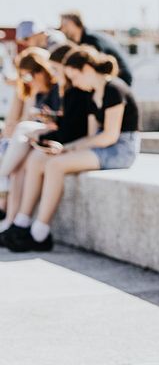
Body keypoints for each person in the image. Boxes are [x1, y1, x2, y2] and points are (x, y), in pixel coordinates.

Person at [4, 46, 140, 252]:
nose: (73, 83)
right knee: (40, 160)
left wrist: (67, 149)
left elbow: (109, 136)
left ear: (86, 69)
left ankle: (40, 232)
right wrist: (66, 147)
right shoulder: (93, 93)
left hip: (120, 149)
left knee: (56, 165)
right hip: (102, 144)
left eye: (74, 77)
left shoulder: (114, 89)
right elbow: (92, 135)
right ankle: (22, 223)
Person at [0, 44, 90, 241]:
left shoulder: (68, 90)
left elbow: (70, 128)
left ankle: (24, 222)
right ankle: (14, 221)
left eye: (56, 70)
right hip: (46, 140)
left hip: (60, 141)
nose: (27, 81)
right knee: (20, 163)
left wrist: (43, 131)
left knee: (26, 154)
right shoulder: (43, 90)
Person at [0, 47, 61, 214]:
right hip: (33, 141)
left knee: (21, 135)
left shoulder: (57, 89)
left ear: (41, 71)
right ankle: (10, 220)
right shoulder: (39, 92)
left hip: (51, 141)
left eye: (27, 76)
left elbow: (65, 122)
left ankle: (1, 177)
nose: (26, 81)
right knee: (17, 168)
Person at [58, 10, 133, 85]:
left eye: (65, 25)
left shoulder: (91, 40)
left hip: (119, 78)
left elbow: (97, 67)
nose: (62, 29)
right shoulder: (85, 39)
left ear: (75, 23)